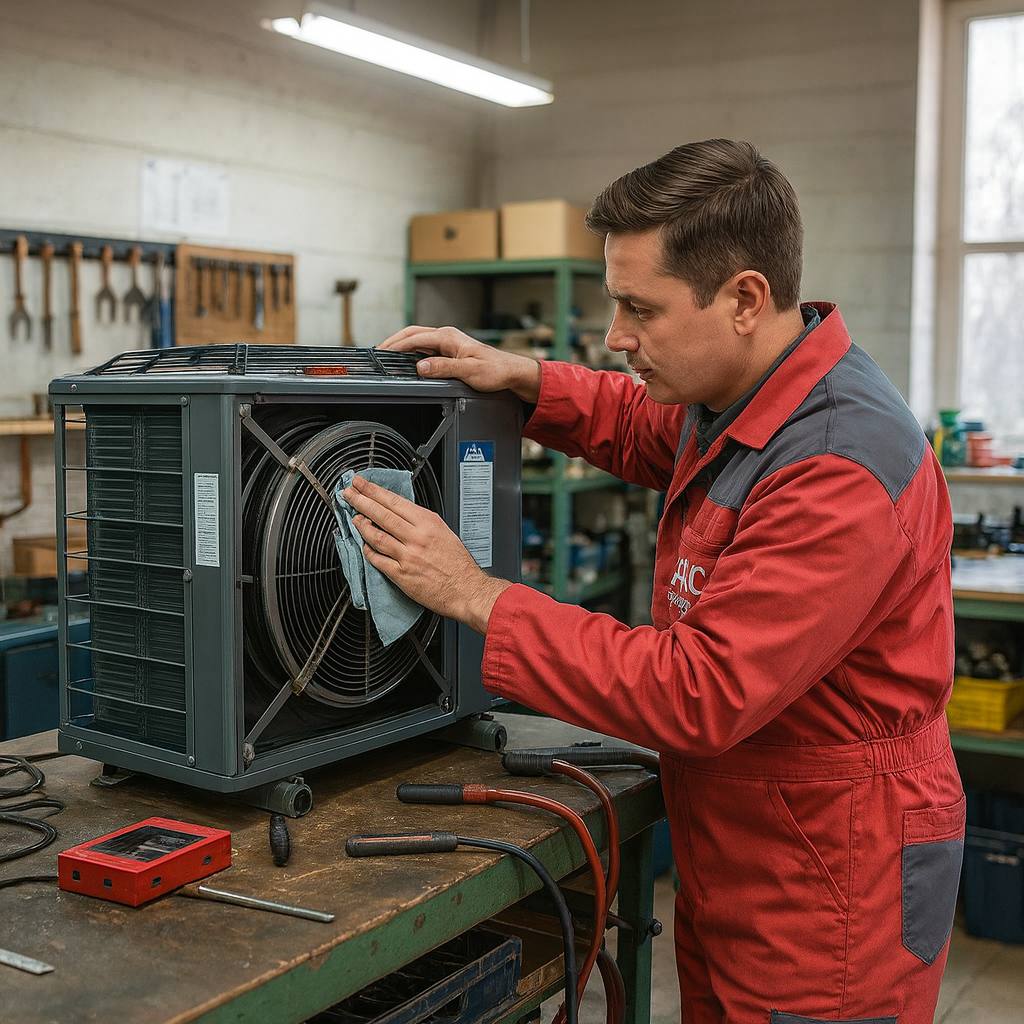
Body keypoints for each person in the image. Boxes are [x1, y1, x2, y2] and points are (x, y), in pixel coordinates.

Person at [342, 139, 965, 1024]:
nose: (615, 337)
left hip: (832, 878)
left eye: (640, 308)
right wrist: (522, 377)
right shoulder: (744, 394)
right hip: (745, 841)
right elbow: (644, 423)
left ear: (745, 299)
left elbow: (698, 690)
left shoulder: (838, 467)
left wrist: (475, 593)